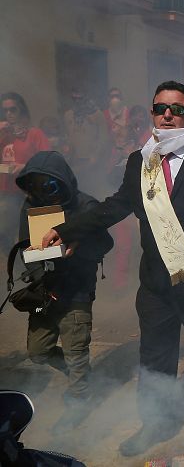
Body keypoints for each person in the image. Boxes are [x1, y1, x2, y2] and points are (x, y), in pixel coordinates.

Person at [41, 81, 184, 456]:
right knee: (155, 355)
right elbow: (116, 205)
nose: (167, 115)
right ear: (153, 112)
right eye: (160, 108)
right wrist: (65, 228)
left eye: (176, 108)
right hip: (158, 278)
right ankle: (155, 420)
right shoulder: (142, 160)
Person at [15, 151, 114, 433]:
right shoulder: (30, 206)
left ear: (64, 182)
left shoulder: (85, 206)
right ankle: (80, 375)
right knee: (38, 352)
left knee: (76, 351)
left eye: (50, 184)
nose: (43, 192)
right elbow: (23, 245)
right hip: (45, 290)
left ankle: (79, 399)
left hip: (77, 289)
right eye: (35, 185)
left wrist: (79, 243)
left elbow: (106, 244)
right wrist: (36, 265)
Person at [1, 93, 50, 260]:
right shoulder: (3, 136)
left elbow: (49, 161)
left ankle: (38, 276)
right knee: (5, 236)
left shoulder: (34, 133)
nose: (9, 114)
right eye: (5, 110)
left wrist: (25, 166)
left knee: (32, 240)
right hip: (7, 193)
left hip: (30, 193)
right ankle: (15, 272)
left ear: (21, 110)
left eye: (13, 109)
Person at [63, 89, 110, 197]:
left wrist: (96, 156)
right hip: (75, 160)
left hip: (93, 160)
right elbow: (68, 136)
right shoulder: (68, 115)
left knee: (93, 192)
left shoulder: (97, 114)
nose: (77, 101)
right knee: (77, 191)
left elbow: (103, 138)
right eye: (74, 99)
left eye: (80, 98)